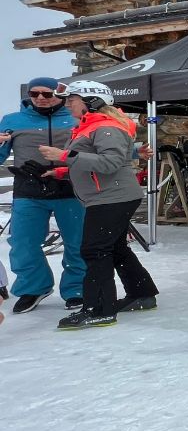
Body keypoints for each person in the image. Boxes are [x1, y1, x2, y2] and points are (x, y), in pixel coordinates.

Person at [38, 80, 158, 329]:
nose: (68, 103)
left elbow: (110, 163)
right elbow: (93, 163)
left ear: (92, 102)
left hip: (111, 198)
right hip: (111, 196)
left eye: (73, 99)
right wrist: (62, 171)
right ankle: (141, 294)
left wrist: (63, 156)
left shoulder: (105, 127)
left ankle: (99, 309)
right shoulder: (91, 126)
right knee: (114, 248)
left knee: (95, 251)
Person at [0, 76, 85, 313]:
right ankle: (34, 287)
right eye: (34, 94)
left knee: (77, 243)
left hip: (69, 188)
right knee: (22, 243)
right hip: (28, 189)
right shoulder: (12, 120)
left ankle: (77, 288)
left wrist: (134, 152)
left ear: (58, 95)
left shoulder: (75, 118)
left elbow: (99, 144)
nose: (40, 98)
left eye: (47, 94)